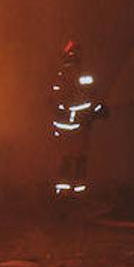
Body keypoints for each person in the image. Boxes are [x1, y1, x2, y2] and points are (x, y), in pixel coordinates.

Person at [50, 41, 107, 198]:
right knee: (80, 159)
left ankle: (63, 194)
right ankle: (78, 196)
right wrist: (98, 111)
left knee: (66, 159)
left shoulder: (60, 76)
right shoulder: (81, 75)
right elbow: (90, 99)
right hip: (79, 125)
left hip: (64, 127)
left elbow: (55, 102)